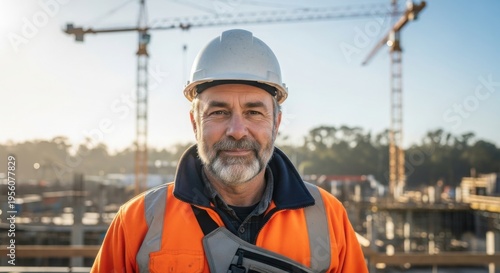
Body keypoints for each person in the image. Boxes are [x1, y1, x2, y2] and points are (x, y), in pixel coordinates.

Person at [91, 29, 368, 273]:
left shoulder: (328, 215)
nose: (237, 130)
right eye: (219, 112)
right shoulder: (138, 220)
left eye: (254, 112)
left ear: (276, 124)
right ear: (195, 124)